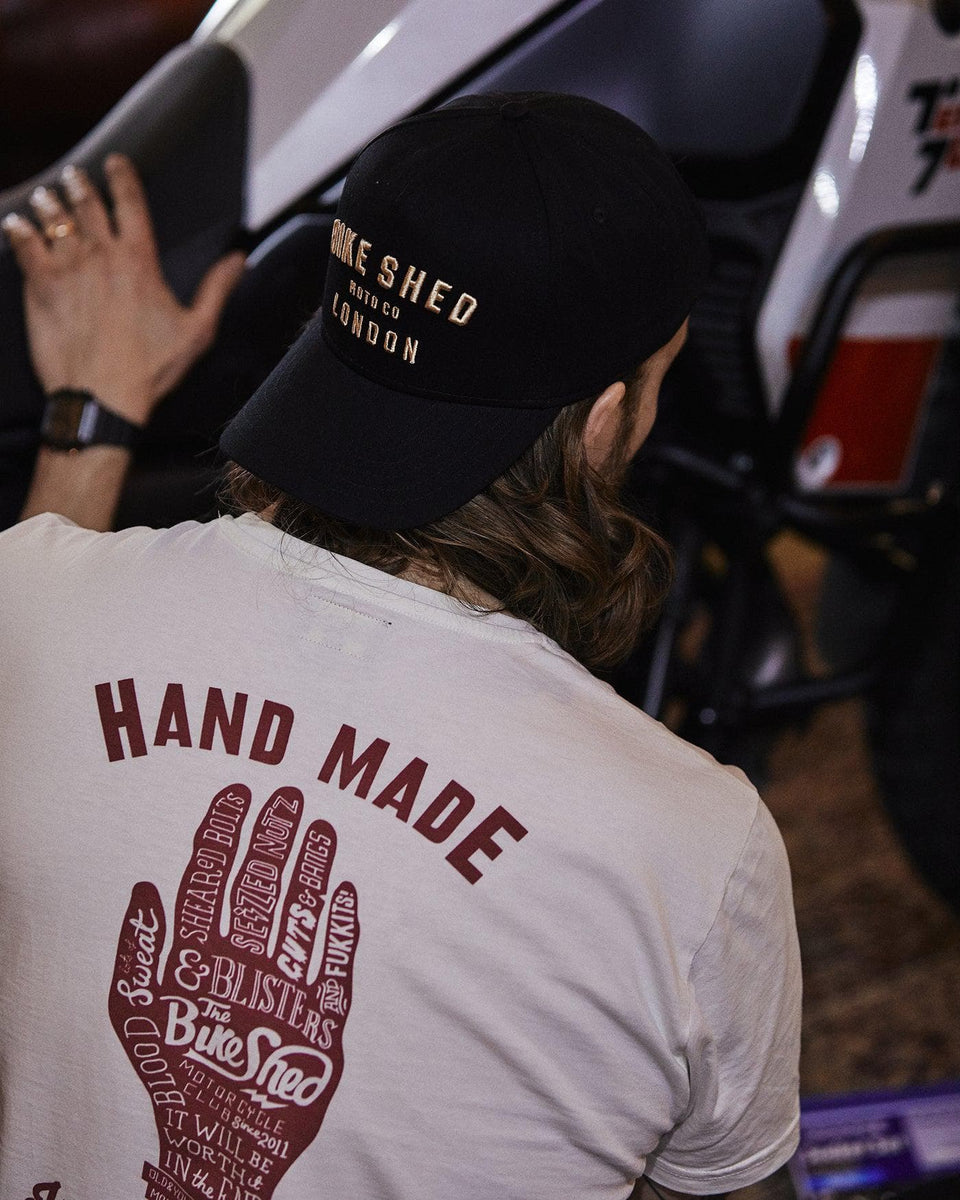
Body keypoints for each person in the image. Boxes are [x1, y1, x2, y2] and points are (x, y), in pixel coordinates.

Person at [0, 94, 801, 1200]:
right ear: (612, 418)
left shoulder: (30, 605)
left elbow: (40, 619)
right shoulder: (690, 849)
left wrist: (91, 409)